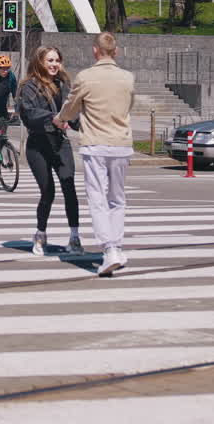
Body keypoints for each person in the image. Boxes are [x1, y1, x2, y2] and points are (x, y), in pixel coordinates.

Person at [55, 32, 135, 277]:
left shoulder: (86, 77)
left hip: (95, 144)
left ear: (95, 51)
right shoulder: (127, 78)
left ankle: (109, 249)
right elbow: (128, 106)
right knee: (117, 198)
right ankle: (117, 246)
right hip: (121, 143)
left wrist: (60, 119)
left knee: (97, 199)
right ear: (116, 51)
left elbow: (70, 107)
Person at [17, 46, 82, 257]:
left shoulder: (63, 85)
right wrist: (51, 118)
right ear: (40, 62)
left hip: (59, 143)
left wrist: (87, 125)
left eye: (57, 60)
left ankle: (74, 237)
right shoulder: (28, 87)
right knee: (48, 192)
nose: (54, 64)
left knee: (69, 186)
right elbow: (29, 113)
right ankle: (40, 234)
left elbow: (71, 114)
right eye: (50, 60)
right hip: (38, 145)